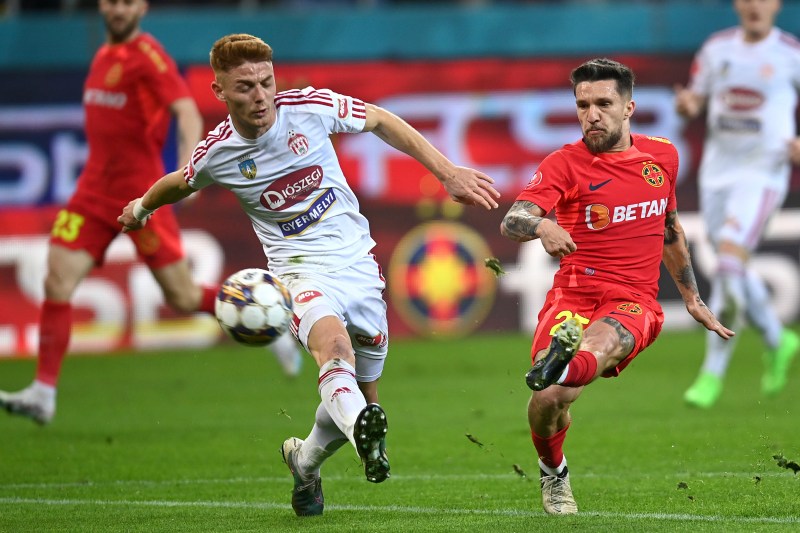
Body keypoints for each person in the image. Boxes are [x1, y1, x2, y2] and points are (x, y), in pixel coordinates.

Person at [117, 33, 500, 516]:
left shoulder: (309, 107)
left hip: (359, 266)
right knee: (333, 351)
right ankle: (367, 441)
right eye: (244, 88)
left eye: (266, 82)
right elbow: (180, 182)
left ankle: (305, 460)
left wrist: (446, 173)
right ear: (219, 92)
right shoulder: (220, 152)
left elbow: (380, 119)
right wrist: (142, 207)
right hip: (297, 275)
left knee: (362, 395)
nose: (259, 96)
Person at [0, 0, 302, 426]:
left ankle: (265, 318)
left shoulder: (148, 55)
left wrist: (187, 169)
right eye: (112, 2)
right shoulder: (104, 55)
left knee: (179, 295)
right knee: (57, 278)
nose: (118, 10)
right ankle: (44, 392)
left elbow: (186, 111)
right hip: (91, 194)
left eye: (127, 2)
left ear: (141, 7)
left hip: (137, 196)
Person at [500, 58, 735, 515]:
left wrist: (692, 297)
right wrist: (541, 226)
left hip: (633, 302)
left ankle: (563, 362)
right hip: (572, 296)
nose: (592, 114)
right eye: (582, 104)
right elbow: (514, 218)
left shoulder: (662, 156)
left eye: (603, 103)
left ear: (629, 107)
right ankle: (554, 472)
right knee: (549, 401)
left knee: (602, 341)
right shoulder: (564, 164)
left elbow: (668, 229)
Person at [675, 0, 800, 409]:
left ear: (777, 5)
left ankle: (711, 374)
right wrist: (689, 106)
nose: (754, 5)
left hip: (763, 174)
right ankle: (778, 338)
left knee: (728, 263)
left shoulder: (790, 54)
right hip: (718, 174)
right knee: (734, 267)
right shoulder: (717, 49)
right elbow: (696, 97)